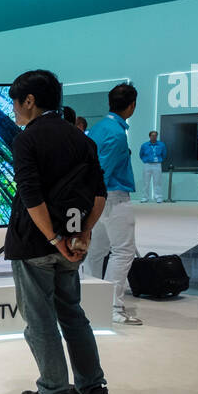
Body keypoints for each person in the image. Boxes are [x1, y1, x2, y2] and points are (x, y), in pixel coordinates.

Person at [5, 69, 111, 394]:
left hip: (36, 244)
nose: (15, 111)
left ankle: (54, 392)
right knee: (73, 314)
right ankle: (92, 388)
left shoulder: (27, 140)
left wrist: (52, 238)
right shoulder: (82, 138)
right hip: (73, 241)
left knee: (40, 320)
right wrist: (82, 234)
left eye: (16, 103)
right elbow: (99, 194)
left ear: (30, 101)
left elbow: (31, 197)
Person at [83, 84, 142, 325]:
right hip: (112, 198)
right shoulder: (117, 133)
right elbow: (102, 172)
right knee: (123, 252)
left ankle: (89, 303)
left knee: (95, 253)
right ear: (132, 105)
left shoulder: (97, 128)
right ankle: (113, 308)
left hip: (95, 199)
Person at [139, 130, 167, 203]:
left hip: (157, 164)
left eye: (155, 135)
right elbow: (141, 154)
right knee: (146, 182)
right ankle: (145, 197)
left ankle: (158, 197)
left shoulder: (161, 145)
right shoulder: (144, 145)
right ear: (149, 136)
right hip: (147, 164)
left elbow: (164, 154)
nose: (154, 137)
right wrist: (145, 160)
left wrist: (159, 160)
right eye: (152, 135)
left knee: (157, 182)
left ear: (157, 136)